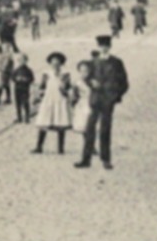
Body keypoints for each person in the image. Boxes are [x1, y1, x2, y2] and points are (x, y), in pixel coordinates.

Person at [75, 35, 129, 169]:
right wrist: (91, 83)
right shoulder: (93, 62)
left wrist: (116, 96)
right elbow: (85, 77)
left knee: (105, 130)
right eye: (101, 46)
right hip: (95, 99)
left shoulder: (117, 62)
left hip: (108, 101)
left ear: (110, 47)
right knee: (89, 129)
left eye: (106, 46)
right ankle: (85, 159)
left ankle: (106, 159)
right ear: (98, 47)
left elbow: (124, 82)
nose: (103, 48)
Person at [31, 52, 74, 153]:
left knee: (61, 122)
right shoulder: (46, 74)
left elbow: (69, 88)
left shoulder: (65, 75)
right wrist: (38, 97)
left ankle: (60, 148)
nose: (55, 65)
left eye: (57, 63)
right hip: (48, 100)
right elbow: (42, 87)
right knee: (44, 122)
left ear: (61, 64)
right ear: (50, 64)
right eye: (53, 63)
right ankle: (39, 147)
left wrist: (65, 90)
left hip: (60, 100)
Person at [69, 60, 94, 142]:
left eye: (86, 70)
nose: (84, 73)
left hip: (92, 103)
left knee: (91, 125)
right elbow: (74, 95)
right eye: (82, 70)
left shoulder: (93, 82)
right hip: (82, 104)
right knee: (84, 125)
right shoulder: (77, 82)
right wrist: (73, 103)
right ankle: (89, 144)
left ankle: (91, 144)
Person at [11, 54, 36, 123]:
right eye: (20, 60)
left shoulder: (28, 70)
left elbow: (32, 79)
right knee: (18, 103)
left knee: (25, 103)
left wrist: (25, 80)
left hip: (25, 89)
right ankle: (19, 118)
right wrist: (17, 79)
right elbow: (12, 78)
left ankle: (27, 118)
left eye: (23, 60)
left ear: (26, 61)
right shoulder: (16, 70)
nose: (22, 62)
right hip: (17, 88)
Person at [0, 37, 19, 106]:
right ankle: (8, 98)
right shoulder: (6, 54)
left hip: (5, 72)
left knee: (1, 85)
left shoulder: (7, 55)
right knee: (6, 85)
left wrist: (3, 69)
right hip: (6, 71)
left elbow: (7, 63)